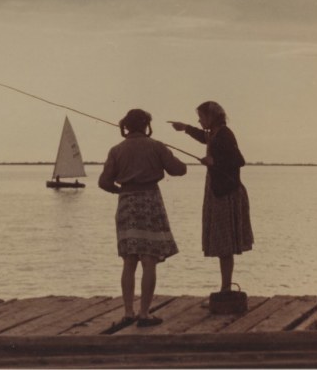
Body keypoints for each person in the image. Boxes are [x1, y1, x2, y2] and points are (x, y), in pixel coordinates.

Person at [98, 108, 187, 328]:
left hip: (127, 203)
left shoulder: (116, 150)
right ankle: (145, 313)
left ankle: (128, 312)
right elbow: (179, 170)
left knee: (129, 260)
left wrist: (121, 192)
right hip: (150, 201)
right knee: (149, 260)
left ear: (126, 126)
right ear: (146, 125)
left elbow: (104, 182)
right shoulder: (156, 146)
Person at [171, 101, 253, 293]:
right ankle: (225, 287)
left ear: (211, 117)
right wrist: (185, 128)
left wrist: (213, 161)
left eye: (201, 117)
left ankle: (225, 288)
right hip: (219, 192)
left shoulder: (224, 133)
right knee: (223, 245)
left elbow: (238, 160)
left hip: (226, 194)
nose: (199, 121)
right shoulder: (217, 133)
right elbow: (205, 138)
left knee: (225, 245)